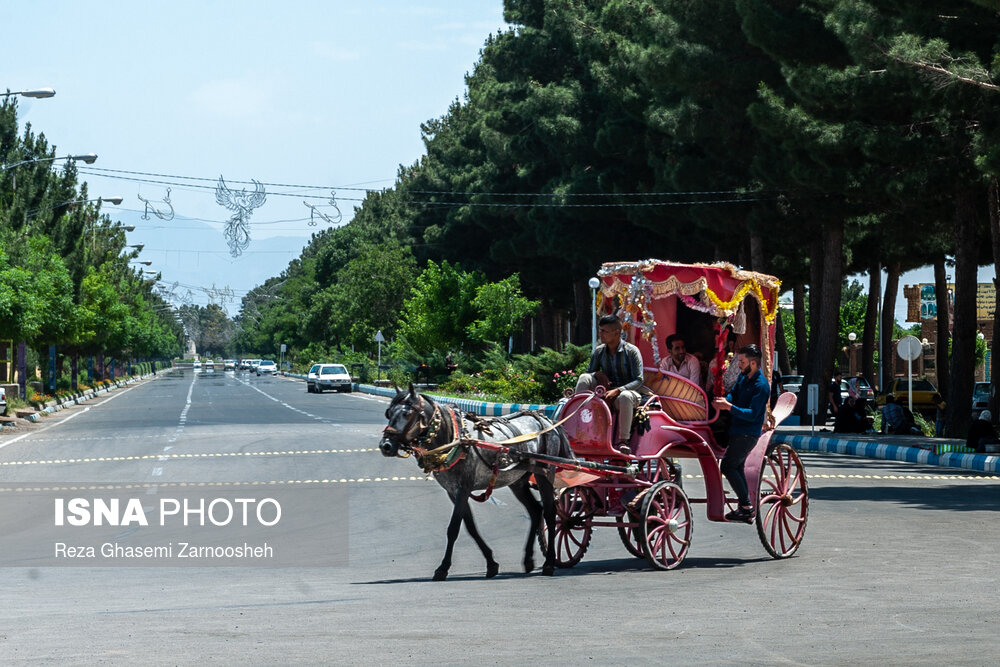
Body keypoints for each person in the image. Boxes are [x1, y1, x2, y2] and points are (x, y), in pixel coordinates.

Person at [713, 343, 770, 523]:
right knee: (736, 467)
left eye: (742, 361)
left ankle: (746, 507)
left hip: (748, 434)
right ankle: (745, 507)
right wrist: (725, 401)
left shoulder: (761, 386)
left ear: (753, 364)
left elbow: (753, 415)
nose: (739, 364)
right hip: (736, 430)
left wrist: (729, 407)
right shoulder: (743, 378)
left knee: (728, 466)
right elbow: (733, 394)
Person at [575, 314, 647, 452]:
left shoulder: (632, 352)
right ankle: (580, 427)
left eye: (604, 331)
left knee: (624, 396)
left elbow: (639, 380)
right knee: (584, 377)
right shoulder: (599, 351)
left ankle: (623, 441)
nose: (600, 334)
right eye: (600, 330)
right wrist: (596, 374)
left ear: (616, 333)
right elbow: (589, 372)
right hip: (605, 393)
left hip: (630, 396)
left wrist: (618, 390)